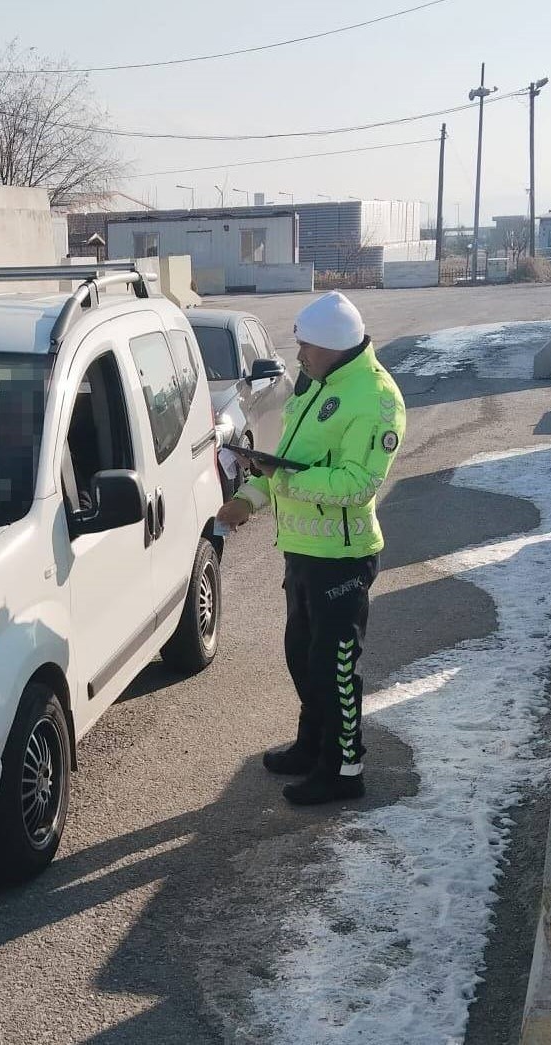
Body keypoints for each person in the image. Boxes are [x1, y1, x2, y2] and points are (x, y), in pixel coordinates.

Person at [215, 291, 406, 805]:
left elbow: (356, 483)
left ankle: (345, 770)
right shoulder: (317, 384)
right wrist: (249, 499)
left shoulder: (375, 399)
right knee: (302, 656)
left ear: (334, 346)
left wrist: (279, 479)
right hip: (301, 552)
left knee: (335, 666)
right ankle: (312, 745)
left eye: (306, 348)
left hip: (342, 557)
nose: (298, 357)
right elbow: (289, 462)